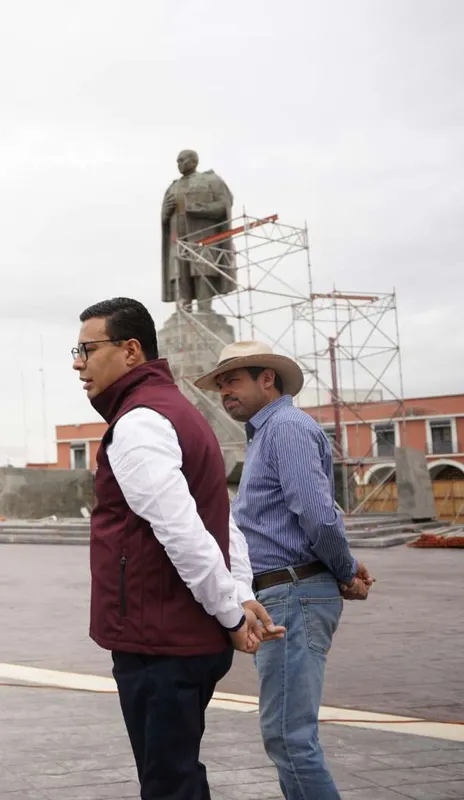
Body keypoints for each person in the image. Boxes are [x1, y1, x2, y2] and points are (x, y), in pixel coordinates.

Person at [74, 297, 283, 800]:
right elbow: (220, 517)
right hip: (182, 635)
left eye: (87, 349)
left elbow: (184, 529)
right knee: (176, 772)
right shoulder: (178, 412)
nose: (78, 363)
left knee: (167, 782)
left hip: (158, 640)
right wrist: (237, 594)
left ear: (129, 351)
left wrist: (233, 613)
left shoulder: (140, 422)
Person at [197, 341, 374, 800]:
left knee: (290, 737)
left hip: (294, 593)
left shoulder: (286, 428)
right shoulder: (266, 434)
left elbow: (318, 514)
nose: (225, 393)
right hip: (285, 592)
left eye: (233, 380)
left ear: (267, 379)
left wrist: (345, 569)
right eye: (220, 385)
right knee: (286, 735)